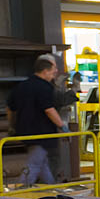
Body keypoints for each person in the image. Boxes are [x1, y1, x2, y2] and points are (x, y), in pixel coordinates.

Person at [8, 54, 66, 187]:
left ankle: (50, 187)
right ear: (45, 71)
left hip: (24, 131)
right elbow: (49, 110)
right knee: (34, 164)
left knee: (42, 163)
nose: (54, 74)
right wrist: (62, 126)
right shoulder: (44, 87)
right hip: (41, 133)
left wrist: (12, 125)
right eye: (53, 72)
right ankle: (21, 191)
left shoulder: (21, 86)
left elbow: (10, 109)